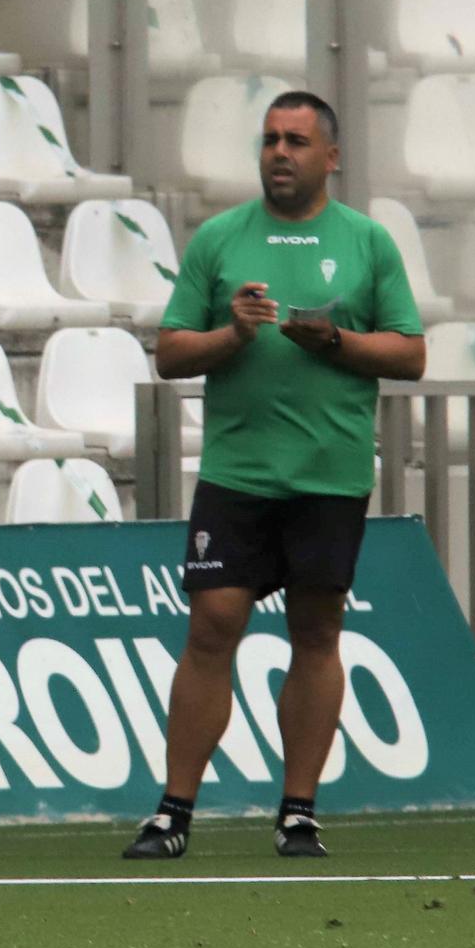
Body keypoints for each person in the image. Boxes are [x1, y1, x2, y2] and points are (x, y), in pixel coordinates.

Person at [123, 90, 426, 862]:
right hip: (239, 472)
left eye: (295, 141)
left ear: (330, 156)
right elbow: (169, 352)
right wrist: (233, 332)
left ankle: (298, 812)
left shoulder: (367, 243)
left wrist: (335, 342)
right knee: (212, 624)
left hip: (330, 473)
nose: (279, 153)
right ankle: (173, 812)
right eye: (269, 140)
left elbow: (410, 354)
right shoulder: (221, 239)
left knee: (317, 632)